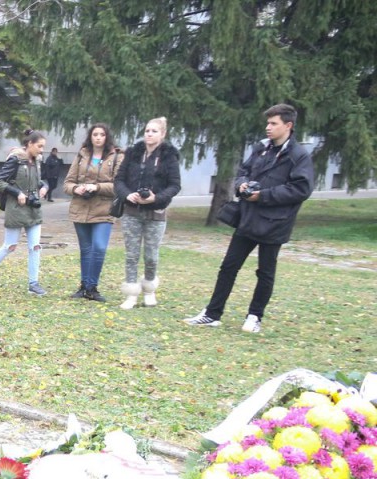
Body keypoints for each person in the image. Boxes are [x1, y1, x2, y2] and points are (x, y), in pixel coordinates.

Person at [185, 104, 314, 333]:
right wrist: (241, 185)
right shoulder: (261, 148)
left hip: (275, 223)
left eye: (273, 123)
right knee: (228, 266)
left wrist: (263, 195)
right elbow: (243, 172)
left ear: (288, 125)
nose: (268, 127)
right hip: (249, 219)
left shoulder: (298, 155)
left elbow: (301, 189)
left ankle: (254, 316)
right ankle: (212, 314)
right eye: (267, 123)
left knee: (265, 272)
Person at [114, 117, 181, 309]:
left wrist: (155, 198)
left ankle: (149, 289)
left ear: (162, 134)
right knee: (131, 255)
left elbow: (175, 185)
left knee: (151, 255)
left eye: (154, 131)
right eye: (147, 131)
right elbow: (119, 180)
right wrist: (128, 195)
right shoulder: (133, 153)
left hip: (156, 213)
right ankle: (131, 293)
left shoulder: (169, 156)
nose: (149, 134)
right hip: (131, 211)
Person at [0, 129, 49, 296]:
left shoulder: (37, 161)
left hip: (33, 209)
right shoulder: (16, 160)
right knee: (9, 246)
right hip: (16, 209)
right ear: (30, 144)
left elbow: (36, 180)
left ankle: (33, 283)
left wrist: (44, 186)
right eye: (39, 146)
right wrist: (17, 193)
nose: (42, 150)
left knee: (35, 247)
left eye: (43, 147)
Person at [63, 123, 122, 302]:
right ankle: (84, 287)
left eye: (101, 134)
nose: (98, 138)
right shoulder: (82, 154)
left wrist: (96, 187)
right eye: (95, 134)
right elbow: (67, 183)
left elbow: (119, 186)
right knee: (86, 249)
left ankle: (92, 287)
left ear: (106, 137)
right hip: (80, 208)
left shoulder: (116, 156)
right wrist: (76, 189)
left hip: (103, 209)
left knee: (99, 247)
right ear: (90, 136)